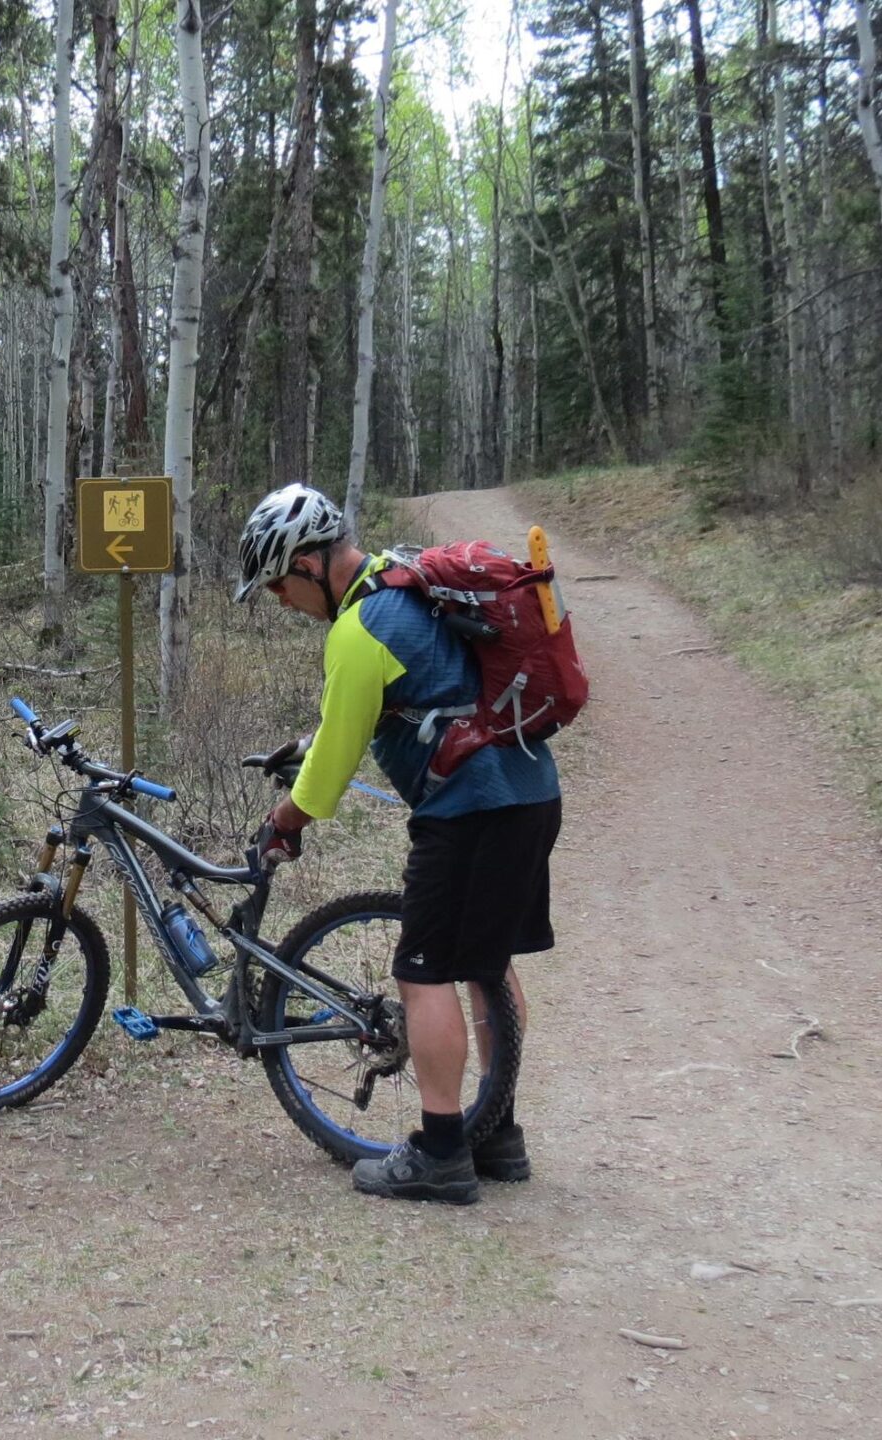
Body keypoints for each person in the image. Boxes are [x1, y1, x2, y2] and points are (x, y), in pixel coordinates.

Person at [235, 483, 562, 1205]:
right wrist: (311, 745)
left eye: (280, 585)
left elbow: (330, 771)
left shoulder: (356, 631)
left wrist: (285, 822)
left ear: (310, 565)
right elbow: (407, 697)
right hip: (530, 792)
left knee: (422, 973)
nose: (283, 602)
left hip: (471, 809)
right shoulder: (405, 580)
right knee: (485, 965)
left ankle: (442, 1151)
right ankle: (495, 1131)